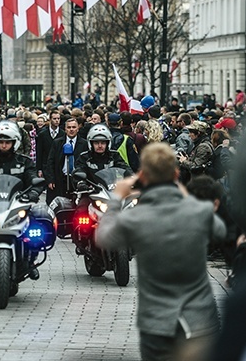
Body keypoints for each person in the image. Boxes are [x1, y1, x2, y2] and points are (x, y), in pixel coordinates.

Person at [96, 142, 226, 361]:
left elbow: (104, 237)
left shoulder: (135, 218)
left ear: (143, 176)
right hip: (200, 318)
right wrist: (183, 194)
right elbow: (219, 231)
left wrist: (117, 199)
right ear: (176, 173)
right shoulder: (198, 210)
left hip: (157, 321)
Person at [0, 120, 47, 279]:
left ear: (15, 143)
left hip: (18, 203)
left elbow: (33, 179)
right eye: (1, 142)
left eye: (7, 142)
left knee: (36, 225)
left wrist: (33, 192)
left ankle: (31, 260)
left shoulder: (25, 162)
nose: (4, 145)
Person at [44, 118, 89, 198]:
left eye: (74, 127)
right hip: (61, 178)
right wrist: (50, 179)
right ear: (65, 129)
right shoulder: (57, 143)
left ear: (78, 129)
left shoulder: (84, 144)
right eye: (69, 127)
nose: (71, 130)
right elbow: (51, 161)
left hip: (77, 179)